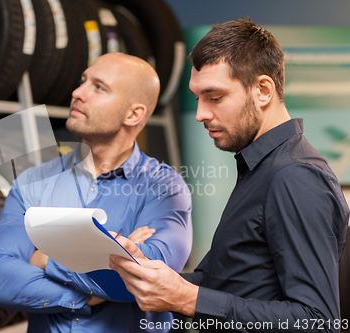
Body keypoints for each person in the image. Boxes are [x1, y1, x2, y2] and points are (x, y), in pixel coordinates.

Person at [110, 19, 350, 332]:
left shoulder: (294, 176)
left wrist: (188, 299)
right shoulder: (260, 168)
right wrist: (153, 276)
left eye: (215, 97)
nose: (200, 114)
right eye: (198, 97)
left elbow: (317, 320)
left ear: (263, 90)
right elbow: (223, 282)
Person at [0, 52, 193, 333]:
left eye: (99, 87)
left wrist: (43, 258)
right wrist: (93, 291)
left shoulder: (164, 188)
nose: (77, 92)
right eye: (83, 81)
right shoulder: (32, 181)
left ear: (134, 114)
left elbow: (149, 280)